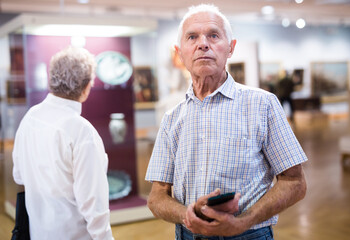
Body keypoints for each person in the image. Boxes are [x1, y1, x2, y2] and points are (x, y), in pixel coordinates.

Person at [145, 4, 307, 240]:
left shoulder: (263, 104)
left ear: (230, 48)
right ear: (180, 53)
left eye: (213, 35)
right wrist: (187, 214)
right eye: (192, 37)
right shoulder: (172, 119)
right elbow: (157, 196)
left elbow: (295, 182)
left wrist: (244, 221)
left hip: (248, 235)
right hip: (188, 235)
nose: (203, 44)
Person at [12, 46, 114, 240]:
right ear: (86, 87)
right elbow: (94, 206)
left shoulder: (30, 118)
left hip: (37, 233)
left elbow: (19, 176)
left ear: (52, 79)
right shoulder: (82, 132)